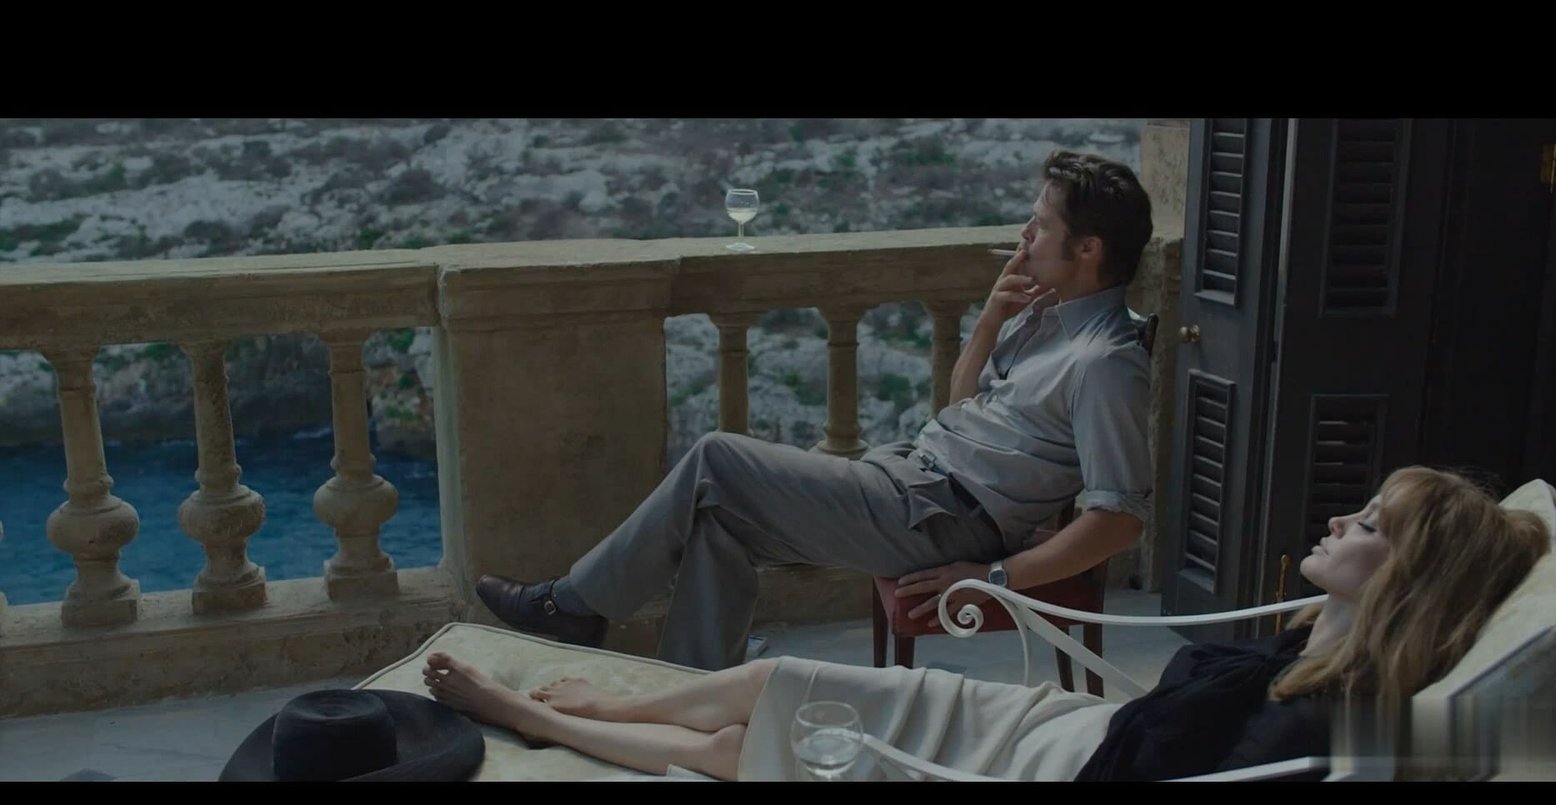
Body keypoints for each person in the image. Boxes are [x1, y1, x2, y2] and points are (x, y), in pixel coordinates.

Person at [474, 149, 1157, 671]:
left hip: (945, 520)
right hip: (915, 483)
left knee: (716, 457)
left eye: (1041, 225)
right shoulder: (1045, 318)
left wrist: (994, 579)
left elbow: (1119, 519)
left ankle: (571, 605)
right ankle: (691, 690)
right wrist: (988, 321)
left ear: (1087, 249)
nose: (1025, 234)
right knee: (718, 524)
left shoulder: (1104, 362)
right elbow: (962, 409)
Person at [422, 466, 1550, 781]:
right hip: (1065, 728)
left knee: (750, 744)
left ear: (1410, 579)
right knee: (770, 692)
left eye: (1370, 525)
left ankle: (542, 715)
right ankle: (611, 703)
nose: (1341, 520)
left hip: (1055, 764)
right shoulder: (1322, 646)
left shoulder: (1331, 712)